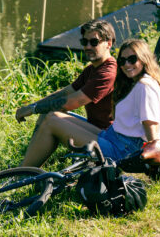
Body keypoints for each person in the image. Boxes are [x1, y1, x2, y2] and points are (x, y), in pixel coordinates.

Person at [20, 38, 160, 167]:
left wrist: (156, 154)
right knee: (52, 115)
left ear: (144, 59)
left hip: (122, 151)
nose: (126, 64)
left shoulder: (144, 86)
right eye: (122, 60)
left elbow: (151, 125)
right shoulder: (140, 82)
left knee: (52, 122)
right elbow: (159, 121)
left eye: (132, 59)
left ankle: (21, 175)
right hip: (113, 136)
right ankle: (25, 168)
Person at [15, 19, 118, 149]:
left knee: (52, 114)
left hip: (108, 137)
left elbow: (72, 102)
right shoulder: (92, 70)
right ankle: (28, 160)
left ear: (108, 43)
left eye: (93, 42)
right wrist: (33, 105)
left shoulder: (108, 72)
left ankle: (26, 168)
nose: (87, 47)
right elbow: (65, 92)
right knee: (47, 111)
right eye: (84, 42)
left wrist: (32, 110)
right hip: (94, 128)